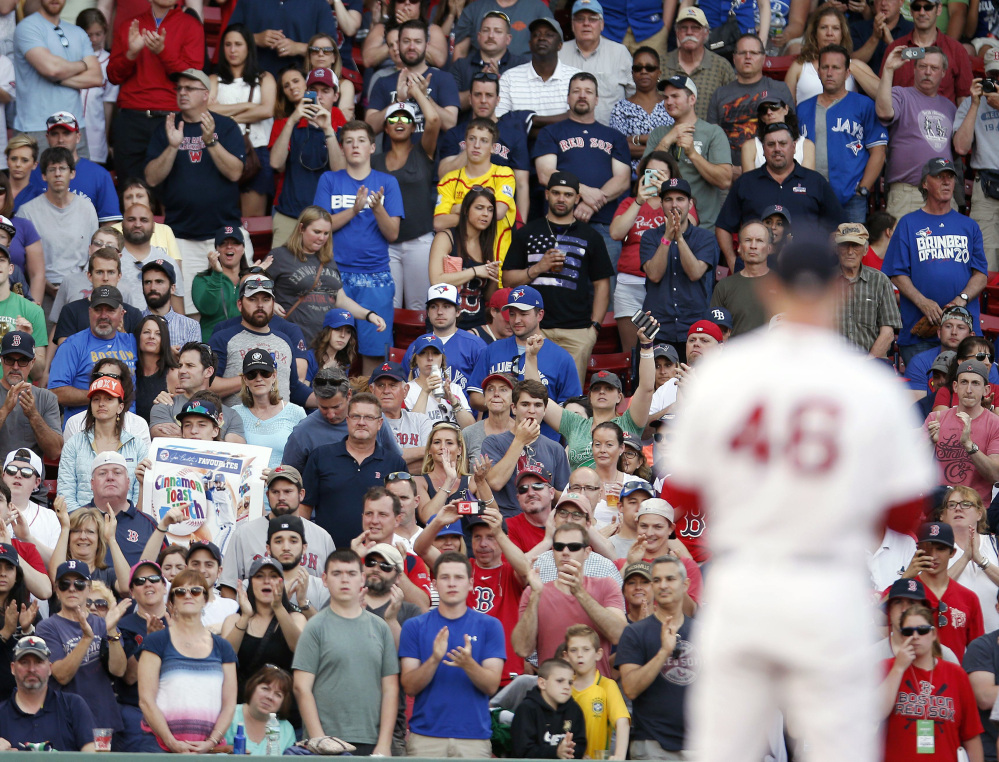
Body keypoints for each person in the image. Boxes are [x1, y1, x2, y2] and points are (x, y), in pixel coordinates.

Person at [667, 239, 938, 762]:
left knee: (726, 748)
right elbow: (906, 512)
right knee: (837, 747)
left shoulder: (723, 375)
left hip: (744, 583)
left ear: (773, 291)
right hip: (827, 587)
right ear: (837, 292)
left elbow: (682, 491)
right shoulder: (869, 386)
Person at [144, 68, 245, 315]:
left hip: (225, 235)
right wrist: (172, 146)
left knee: (237, 307)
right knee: (188, 312)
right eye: (179, 88)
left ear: (206, 95)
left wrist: (210, 141)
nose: (182, 93)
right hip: (181, 237)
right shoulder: (166, 128)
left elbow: (235, 173)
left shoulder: (226, 126)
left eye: (190, 88)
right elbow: (151, 178)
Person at [502, 172, 613, 383]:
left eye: (568, 194)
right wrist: (538, 268)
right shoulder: (527, 232)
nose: (561, 199)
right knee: (531, 391)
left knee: (571, 398)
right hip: (534, 329)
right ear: (546, 194)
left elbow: (602, 285)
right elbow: (507, 279)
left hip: (577, 331)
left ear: (577, 198)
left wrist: (594, 329)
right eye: (556, 193)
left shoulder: (591, 236)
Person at [312, 121, 403, 373]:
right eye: (349, 141)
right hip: (335, 275)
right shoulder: (329, 179)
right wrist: (354, 210)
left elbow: (393, 233)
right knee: (331, 351)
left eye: (361, 140)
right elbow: (321, 226)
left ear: (372, 147)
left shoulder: (388, 182)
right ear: (341, 148)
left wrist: (377, 209)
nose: (355, 146)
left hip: (377, 278)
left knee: (375, 354)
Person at [399, 551, 506, 757]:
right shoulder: (415, 626)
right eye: (445, 577)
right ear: (434, 584)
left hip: (474, 739)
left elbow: (491, 685)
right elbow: (410, 687)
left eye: (459, 577)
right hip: (425, 738)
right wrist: (434, 659)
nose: (452, 583)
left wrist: (468, 664)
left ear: (471, 583)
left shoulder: (490, 626)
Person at [882, 158, 987, 364]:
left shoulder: (969, 226)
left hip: (963, 332)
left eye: (950, 177)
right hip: (920, 334)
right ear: (924, 183)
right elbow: (896, 273)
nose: (946, 182)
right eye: (939, 177)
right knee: (925, 392)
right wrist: (924, 303)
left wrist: (961, 300)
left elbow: (981, 275)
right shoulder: (908, 223)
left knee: (964, 392)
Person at [292, 548, 398, 754]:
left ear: (362, 579)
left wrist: (384, 744)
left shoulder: (380, 627)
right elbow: (301, 688)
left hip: (371, 740)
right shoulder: (315, 627)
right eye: (336, 573)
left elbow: (391, 689)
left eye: (351, 574)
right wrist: (319, 739)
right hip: (327, 739)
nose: (344, 580)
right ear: (324, 579)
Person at [715, 123, 845, 271]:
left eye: (783, 143)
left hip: (804, 273)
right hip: (756, 273)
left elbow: (838, 226)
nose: (777, 149)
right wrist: (732, 262)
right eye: (771, 144)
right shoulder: (746, 182)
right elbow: (723, 226)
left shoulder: (815, 182)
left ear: (794, 147)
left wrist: (826, 260)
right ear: (763, 149)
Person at [137, 569, 238, 752]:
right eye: (180, 592)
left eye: (196, 591)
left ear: (205, 599)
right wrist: (171, 742)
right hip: (159, 747)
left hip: (209, 749)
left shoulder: (223, 648)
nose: (188, 595)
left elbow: (229, 704)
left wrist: (211, 743)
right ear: (171, 602)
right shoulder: (156, 641)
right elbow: (146, 700)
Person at [105, 0, 204, 186]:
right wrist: (131, 55)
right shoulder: (129, 25)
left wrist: (162, 52)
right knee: (130, 191)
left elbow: (194, 77)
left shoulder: (191, 25)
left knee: (173, 193)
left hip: (171, 120)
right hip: (131, 119)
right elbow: (112, 76)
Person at [513, 521, 626, 676]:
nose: (565, 552)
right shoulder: (533, 591)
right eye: (559, 547)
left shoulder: (606, 585)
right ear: (553, 551)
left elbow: (619, 635)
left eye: (573, 547)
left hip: (594, 694)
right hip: (552, 694)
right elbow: (522, 648)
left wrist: (579, 592)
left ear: (587, 552)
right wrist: (535, 596)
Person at [468, 286, 581, 440]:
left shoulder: (561, 358)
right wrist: (504, 404)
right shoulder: (492, 350)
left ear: (540, 314)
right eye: (512, 314)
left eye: (523, 314)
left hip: (542, 443)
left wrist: (528, 407)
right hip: (497, 442)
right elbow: (474, 397)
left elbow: (571, 415)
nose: (516, 320)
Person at [301, 393, 408, 548]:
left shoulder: (394, 463)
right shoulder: (321, 456)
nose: (361, 422)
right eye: (356, 416)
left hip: (377, 557)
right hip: (327, 554)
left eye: (369, 418)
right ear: (347, 420)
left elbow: (402, 513)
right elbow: (304, 507)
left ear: (380, 423)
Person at [35, 559, 127, 739]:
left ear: (88, 588)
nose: (71, 589)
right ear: (57, 590)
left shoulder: (103, 623)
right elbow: (61, 675)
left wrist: (111, 631)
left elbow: (119, 670)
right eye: (64, 584)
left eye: (78, 584)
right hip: (65, 721)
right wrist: (87, 638)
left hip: (103, 720)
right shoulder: (47, 627)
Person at [269, 206, 386, 347]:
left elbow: (340, 299)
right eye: (317, 232)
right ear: (301, 228)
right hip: (292, 340)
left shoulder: (328, 260)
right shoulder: (280, 256)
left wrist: (369, 315)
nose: (322, 238)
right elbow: (253, 287)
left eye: (326, 233)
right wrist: (270, 303)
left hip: (324, 343)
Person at [880, 604, 984, 762]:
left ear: (933, 633)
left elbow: (971, 736)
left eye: (922, 630)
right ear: (901, 636)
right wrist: (899, 668)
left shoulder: (956, 674)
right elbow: (875, 714)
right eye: (907, 632)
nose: (915, 636)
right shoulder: (887, 668)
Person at [796, 45, 886, 223]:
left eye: (836, 68)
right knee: (815, 250)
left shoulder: (864, 105)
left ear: (847, 73)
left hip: (851, 198)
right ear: (818, 71)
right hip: (811, 197)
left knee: (852, 249)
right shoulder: (802, 108)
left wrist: (863, 189)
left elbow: (879, 151)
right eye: (825, 67)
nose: (829, 73)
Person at [617, 556, 695, 759]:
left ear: (685, 584)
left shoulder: (704, 632)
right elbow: (630, 689)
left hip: (699, 744)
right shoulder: (635, 633)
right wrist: (663, 653)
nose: (663, 585)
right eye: (657, 580)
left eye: (670, 579)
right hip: (652, 745)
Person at [218, 466, 334, 594]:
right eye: (275, 492)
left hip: (310, 612)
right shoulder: (244, 534)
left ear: (301, 495)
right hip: (256, 612)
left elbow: (333, 588)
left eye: (288, 491)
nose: (281, 497)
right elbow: (229, 586)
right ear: (267, 495)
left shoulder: (322, 536)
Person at [637, 177, 720, 356]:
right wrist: (667, 238)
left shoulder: (704, 237)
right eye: (668, 199)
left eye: (680, 199)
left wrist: (679, 238)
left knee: (695, 382)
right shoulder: (650, 237)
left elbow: (695, 272)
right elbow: (654, 275)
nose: (674, 205)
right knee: (654, 382)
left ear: (690, 204)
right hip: (656, 326)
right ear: (661, 204)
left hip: (693, 329)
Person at [373, 96, 440, 312]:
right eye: (393, 119)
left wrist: (416, 92)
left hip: (419, 241)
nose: (399, 122)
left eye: (405, 118)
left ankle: (418, 347)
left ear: (413, 127)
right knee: (387, 307)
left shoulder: (423, 152)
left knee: (419, 307)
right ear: (385, 127)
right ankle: (388, 348)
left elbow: (434, 120)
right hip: (384, 243)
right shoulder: (373, 161)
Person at [269, 68, 347, 249]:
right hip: (289, 216)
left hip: (325, 222)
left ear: (335, 96)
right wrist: (292, 120)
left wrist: (327, 130)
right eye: (314, 90)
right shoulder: (289, 124)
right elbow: (275, 164)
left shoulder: (342, 128)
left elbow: (340, 173)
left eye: (326, 91)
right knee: (281, 275)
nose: (319, 96)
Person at [208, 274, 314, 409]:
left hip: (282, 425)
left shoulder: (285, 340)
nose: (260, 305)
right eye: (252, 299)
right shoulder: (222, 338)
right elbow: (207, 385)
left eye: (266, 299)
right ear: (240, 305)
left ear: (273, 304)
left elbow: (294, 388)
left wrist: (326, 401)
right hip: (239, 426)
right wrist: (254, 378)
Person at [876, 46, 957, 221]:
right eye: (922, 66)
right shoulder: (901, 94)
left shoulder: (950, 107)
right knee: (903, 248)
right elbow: (883, 112)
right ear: (914, 68)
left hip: (943, 195)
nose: (928, 72)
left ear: (943, 73)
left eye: (934, 68)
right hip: (907, 192)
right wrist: (888, 69)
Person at [644, 75, 733, 232]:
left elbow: (725, 180)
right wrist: (667, 141)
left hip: (702, 230)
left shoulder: (712, 132)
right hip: (660, 228)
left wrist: (692, 154)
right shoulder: (659, 134)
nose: (669, 102)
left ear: (692, 99)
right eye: (666, 97)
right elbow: (645, 180)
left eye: (675, 96)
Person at [608, 152, 675, 355]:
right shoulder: (630, 203)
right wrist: (639, 200)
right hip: (630, 285)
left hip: (664, 285)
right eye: (652, 173)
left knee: (664, 350)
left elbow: (689, 228)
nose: (656, 177)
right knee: (632, 353)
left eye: (662, 173)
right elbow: (616, 233)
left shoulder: (678, 202)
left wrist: (668, 195)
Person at [13, 0, 101, 150]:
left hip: (74, 127)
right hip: (36, 127)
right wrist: (83, 64)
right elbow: (51, 69)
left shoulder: (78, 32)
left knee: (78, 174)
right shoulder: (27, 27)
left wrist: (57, 79)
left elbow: (97, 77)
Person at [209, 24, 276, 218]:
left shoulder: (264, 78)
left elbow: (266, 110)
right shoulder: (214, 78)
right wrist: (248, 106)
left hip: (256, 150)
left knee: (251, 222)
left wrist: (225, 115)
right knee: (219, 220)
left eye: (238, 44)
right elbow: (206, 112)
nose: (232, 50)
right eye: (228, 44)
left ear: (248, 47)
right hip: (221, 151)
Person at [15, 147, 98, 298]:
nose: (58, 174)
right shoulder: (27, 212)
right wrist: (46, 285)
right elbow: (22, 258)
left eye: (63, 168)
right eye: (52, 169)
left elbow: (95, 251)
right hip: (41, 289)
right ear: (44, 176)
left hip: (82, 289)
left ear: (72, 173)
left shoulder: (87, 207)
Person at [436, 119, 517, 272]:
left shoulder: (504, 174)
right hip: (459, 269)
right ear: (465, 143)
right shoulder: (450, 179)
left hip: (498, 265)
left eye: (484, 141)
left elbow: (498, 212)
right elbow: (439, 223)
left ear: (493, 148)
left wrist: (460, 208)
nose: (477, 145)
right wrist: (481, 210)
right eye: (472, 139)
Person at [221, 556, 307, 700]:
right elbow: (225, 656)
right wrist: (245, 617)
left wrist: (279, 608)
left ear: (282, 583)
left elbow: (300, 650)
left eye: (273, 576)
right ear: (251, 583)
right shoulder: (234, 619)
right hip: (243, 707)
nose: (267, 581)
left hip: (283, 708)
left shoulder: (296, 618)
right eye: (260, 576)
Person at [57, 376, 146, 511]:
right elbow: (65, 493)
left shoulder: (137, 445)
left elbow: (140, 493)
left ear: (120, 407)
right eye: (96, 399)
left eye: (109, 399)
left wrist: (125, 521)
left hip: (126, 524)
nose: (101, 404)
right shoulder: (74, 444)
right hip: (83, 526)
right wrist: (86, 522)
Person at [366, 19, 459, 145]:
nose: (411, 46)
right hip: (393, 163)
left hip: (432, 162)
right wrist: (398, 100)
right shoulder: (383, 82)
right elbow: (370, 128)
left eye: (418, 42)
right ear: (398, 45)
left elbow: (450, 124)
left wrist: (424, 97)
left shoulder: (444, 79)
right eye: (406, 41)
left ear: (426, 45)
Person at [706, 34, 793, 166]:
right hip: (728, 169)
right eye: (742, 53)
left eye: (753, 53)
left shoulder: (779, 89)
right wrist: (728, 170)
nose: (748, 57)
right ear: (734, 58)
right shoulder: (720, 94)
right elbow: (711, 140)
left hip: (771, 167)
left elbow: (792, 131)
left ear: (763, 58)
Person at [0, 636, 97, 751]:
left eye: (38, 662)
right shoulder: (2, 713)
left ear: (50, 668)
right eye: (24, 662)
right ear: (13, 668)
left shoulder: (73, 706)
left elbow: (93, 756)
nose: (32, 669)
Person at [24, 111, 120, 224]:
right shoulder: (33, 173)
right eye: (54, 134)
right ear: (47, 138)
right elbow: (23, 219)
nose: (60, 139)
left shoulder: (99, 174)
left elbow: (110, 223)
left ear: (78, 137)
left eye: (66, 133)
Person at [926, 360, 999, 504]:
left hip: (977, 510)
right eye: (964, 382)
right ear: (955, 386)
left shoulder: (995, 424)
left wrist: (969, 446)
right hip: (938, 508)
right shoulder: (935, 418)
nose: (969, 390)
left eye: (975, 383)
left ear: (986, 390)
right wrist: (929, 445)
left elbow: (996, 475)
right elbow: (911, 470)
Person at [427, 187, 501, 330]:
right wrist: (475, 271)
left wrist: (494, 277)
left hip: (477, 325)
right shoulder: (446, 237)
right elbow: (436, 280)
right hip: (445, 323)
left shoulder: (487, 244)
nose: (485, 214)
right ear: (466, 210)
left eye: (490, 210)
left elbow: (488, 297)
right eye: (479, 208)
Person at [148, 341, 247, 443]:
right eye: (180, 365)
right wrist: (213, 439)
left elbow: (236, 450)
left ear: (208, 372)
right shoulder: (164, 404)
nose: (181, 371)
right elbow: (163, 441)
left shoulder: (231, 415)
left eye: (189, 365)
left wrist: (183, 436)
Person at [955, 51, 999, 271]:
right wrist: (974, 104)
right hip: (987, 186)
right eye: (993, 75)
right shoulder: (973, 103)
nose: (997, 81)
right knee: (985, 262)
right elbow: (961, 147)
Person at [881, 0, 973, 105]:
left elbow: (964, 99)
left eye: (928, 7)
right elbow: (884, 94)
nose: (922, 12)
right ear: (911, 11)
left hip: (943, 119)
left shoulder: (956, 50)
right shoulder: (895, 49)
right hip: (902, 119)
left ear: (939, 9)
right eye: (916, 7)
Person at [933, 486, 999, 631]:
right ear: (942, 516)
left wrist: (982, 561)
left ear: (979, 514)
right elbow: (931, 592)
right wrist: (965, 558)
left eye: (966, 504)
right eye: (951, 505)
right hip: (954, 644)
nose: (958, 509)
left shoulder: (995, 544)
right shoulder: (933, 550)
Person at [558, 0, 633, 127]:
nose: (586, 23)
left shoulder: (620, 53)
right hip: (566, 135)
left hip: (611, 135)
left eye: (592, 19)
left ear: (602, 24)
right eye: (580, 19)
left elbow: (633, 96)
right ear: (572, 25)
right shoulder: (559, 53)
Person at [495, 18, 581, 124]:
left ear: (560, 45)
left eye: (549, 35)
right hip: (522, 141)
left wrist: (526, 121)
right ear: (530, 44)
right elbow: (501, 121)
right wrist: (561, 120)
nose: (542, 38)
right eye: (536, 35)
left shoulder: (576, 77)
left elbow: (578, 119)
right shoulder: (509, 78)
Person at [785, 7, 879, 103]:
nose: (829, 33)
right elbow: (785, 109)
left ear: (842, 34)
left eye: (835, 28)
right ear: (815, 34)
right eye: (824, 27)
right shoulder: (799, 67)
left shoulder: (855, 65)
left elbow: (884, 96)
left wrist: (851, 67)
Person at [835, 222, 901, 356]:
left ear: (866, 250)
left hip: (871, 365)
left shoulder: (880, 281)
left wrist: (868, 364)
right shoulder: (823, 281)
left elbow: (888, 333)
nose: (850, 251)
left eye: (856, 246)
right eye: (844, 245)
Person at [565, 624, 630, 760]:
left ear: (598, 654)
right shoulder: (563, 686)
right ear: (566, 656)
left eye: (586, 649)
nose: (580, 655)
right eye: (573, 650)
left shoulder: (607, 685)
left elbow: (622, 722)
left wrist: (619, 755)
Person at [233, 349, 307, 469]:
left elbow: (305, 457)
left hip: (282, 484)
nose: (259, 378)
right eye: (252, 374)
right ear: (245, 380)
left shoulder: (296, 413)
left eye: (264, 373)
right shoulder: (234, 414)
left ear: (274, 376)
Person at [661, 7, 736, 122]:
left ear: (706, 33)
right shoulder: (661, 65)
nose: (689, 32)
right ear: (677, 33)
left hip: (710, 138)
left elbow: (733, 108)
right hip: (667, 136)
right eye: (683, 28)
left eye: (695, 28)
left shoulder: (722, 66)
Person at [226, 0, 337, 78]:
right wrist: (255, 39)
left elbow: (332, 49)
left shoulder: (319, 3)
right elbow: (229, 36)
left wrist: (297, 48)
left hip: (301, 84)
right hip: (253, 79)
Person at [609, 47, 673, 170]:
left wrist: (635, 140)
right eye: (638, 68)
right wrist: (661, 148)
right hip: (633, 177)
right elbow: (619, 147)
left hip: (668, 176)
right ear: (632, 73)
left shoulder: (670, 104)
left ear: (658, 73)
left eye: (649, 68)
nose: (643, 71)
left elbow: (677, 144)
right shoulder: (621, 108)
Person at [511, 657, 588, 759]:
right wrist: (556, 752)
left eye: (570, 682)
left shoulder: (575, 709)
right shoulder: (527, 709)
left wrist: (569, 750)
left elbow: (580, 745)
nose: (566, 686)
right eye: (560, 681)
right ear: (542, 683)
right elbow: (522, 751)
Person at [450, 10, 528, 110]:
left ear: (508, 39)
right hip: (469, 125)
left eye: (498, 31)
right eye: (486, 30)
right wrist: (478, 86)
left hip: (507, 125)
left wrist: (499, 83)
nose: (491, 35)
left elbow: (525, 104)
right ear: (479, 36)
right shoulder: (461, 65)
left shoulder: (521, 65)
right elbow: (451, 104)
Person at [0, 332, 60, 458]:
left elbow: (55, 452)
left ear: (32, 362)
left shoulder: (47, 398)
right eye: (9, 359)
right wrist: (5, 410)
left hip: (29, 474)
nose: (15, 367)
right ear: (1, 360)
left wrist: (33, 415)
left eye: (23, 361)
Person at [709, 221, 774, 337]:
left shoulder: (783, 285)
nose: (753, 246)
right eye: (748, 240)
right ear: (738, 247)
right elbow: (714, 332)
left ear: (769, 248)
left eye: (759, 241)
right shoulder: (724, 287)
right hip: (734, 354)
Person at [224, 665, 297, 755]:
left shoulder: (287, 730)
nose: (270, 697)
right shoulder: (228, 714)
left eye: (278, 694)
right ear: (252, 687)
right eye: (265, 689)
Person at [740, 96, 814, 173]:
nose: (769, 112)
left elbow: (807, 181)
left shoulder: (806, 145)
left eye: (774, 106)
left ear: (786, 109)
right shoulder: (750, 147)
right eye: (763, 110)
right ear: (761, 117)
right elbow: (749, 182)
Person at [133, 314, 178, 421]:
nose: (152, 336)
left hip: (161, 435)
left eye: (158, 334)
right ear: (138, 336)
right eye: (146, 332)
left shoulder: (174, 374)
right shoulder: (129, 371)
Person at [463, 371, 514, 462]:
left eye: (503, 389)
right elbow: (462, 474)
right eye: (490, 389)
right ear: (485, 397)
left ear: (513, 398)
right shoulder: (468, 433)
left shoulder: (523, 432)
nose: (496, 394)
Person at [851, 0, 913, 74]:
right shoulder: (857, 28)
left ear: (901, 2)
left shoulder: (913, 30)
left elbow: (918, 62)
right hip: (866, 84)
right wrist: (874, 38)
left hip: (900, 84)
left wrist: (891, 43)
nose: (883, 3)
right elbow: (851, 62)